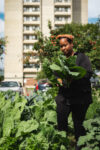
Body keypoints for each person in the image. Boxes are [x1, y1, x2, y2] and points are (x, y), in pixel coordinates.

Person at [55, 34, 93, 150]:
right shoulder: (60, 60)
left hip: (80, 97)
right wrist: (58, 80)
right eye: (61, 46)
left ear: (71, 44)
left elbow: (88, 73)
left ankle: (79, 146)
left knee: (78, 125)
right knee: (61, 122)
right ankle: (63, 145)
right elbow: (56, 75)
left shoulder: (81, 57)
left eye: (65, 45)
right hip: (64, 97)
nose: (63, 48)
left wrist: (74, 77)